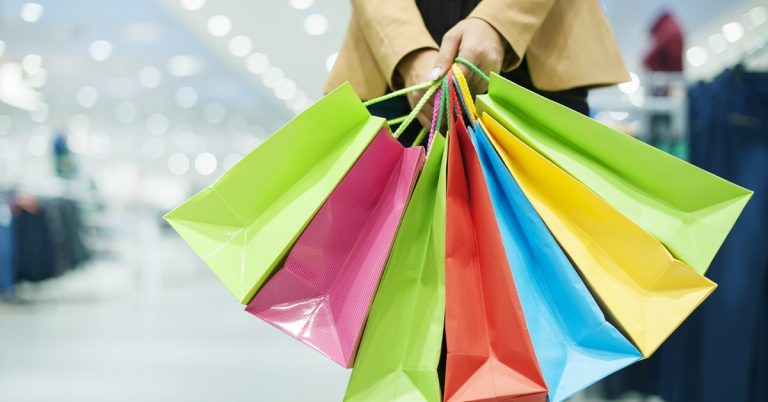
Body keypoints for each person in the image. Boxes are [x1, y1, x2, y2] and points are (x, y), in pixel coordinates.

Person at [325, 0, 629, 145]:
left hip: (536, 56)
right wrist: (407, 51)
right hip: (391, 72)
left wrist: (500, 21)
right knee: (375, 260)